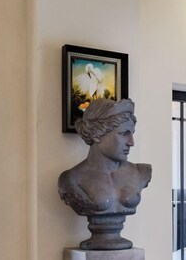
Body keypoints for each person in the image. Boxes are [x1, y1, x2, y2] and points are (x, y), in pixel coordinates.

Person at [58, 99, 152, 250]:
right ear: (97, 134)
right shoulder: (71, 179)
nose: (131, 142)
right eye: (124, 134)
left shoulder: (141, 172)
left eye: (131, 134)